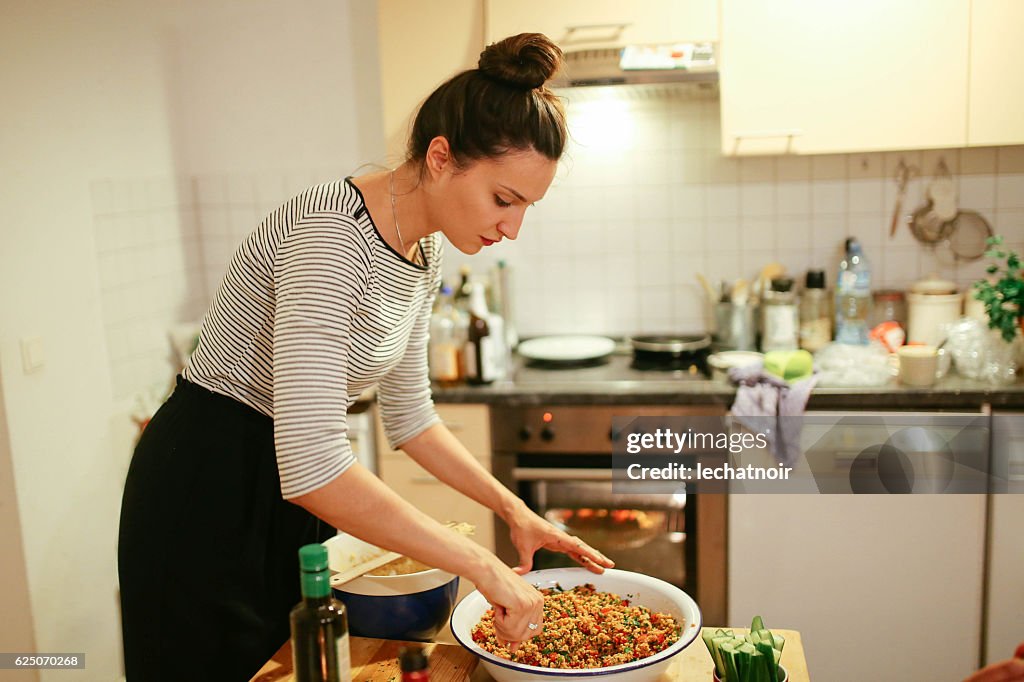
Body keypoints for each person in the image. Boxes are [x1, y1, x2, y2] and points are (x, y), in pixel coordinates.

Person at [117, 32, 613, 681]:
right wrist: (482, 565)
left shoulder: (423, 249)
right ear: (441, 157)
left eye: (526, 207)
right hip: (207, 487)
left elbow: (410, 415)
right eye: (503, 199)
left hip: (284, 493)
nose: (511, 227)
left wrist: (513, 510)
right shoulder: (331, 238)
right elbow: (317, 466)